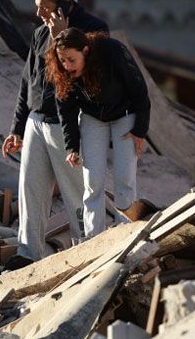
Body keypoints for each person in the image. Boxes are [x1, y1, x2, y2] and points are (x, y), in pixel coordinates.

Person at [2, 0, 108, 265]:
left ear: (63, 4)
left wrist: (63, 37)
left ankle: (85, 253)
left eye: (43, 6)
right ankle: (28, 254)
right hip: (36, 122)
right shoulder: (39, 34)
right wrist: (17, 128)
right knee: (30, 191)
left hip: (69, 126)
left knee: (77, 195)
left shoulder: (94, 31)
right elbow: (28, 82)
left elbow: (88, 81)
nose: (38, 13)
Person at [45, 28, 150, 239]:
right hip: (93, 119)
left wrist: (140, 130)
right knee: (92, 181)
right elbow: (66, 111)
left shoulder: (112, 51)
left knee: (124, 178)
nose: (66, 66)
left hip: (124, 115)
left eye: (71, 60)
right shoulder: (64, 73)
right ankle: (93, 238)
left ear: (86, 50)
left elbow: (139, 88)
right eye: (62, 60)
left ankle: (126, 233)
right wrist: (72, 147)